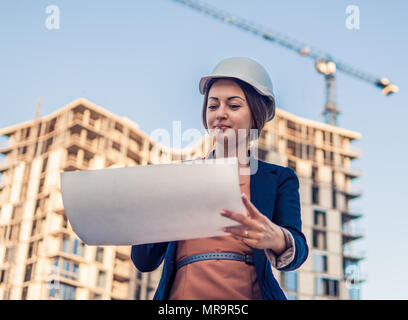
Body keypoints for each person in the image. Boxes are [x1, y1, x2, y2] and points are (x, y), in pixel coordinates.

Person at [131, 57, 308, 300]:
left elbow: (297, 251)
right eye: (213, 106)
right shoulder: (178, 177)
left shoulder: (278, 178)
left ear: (256, 114)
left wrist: (277, 238)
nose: (220, 114)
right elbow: (144, 260)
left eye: (233, 106)